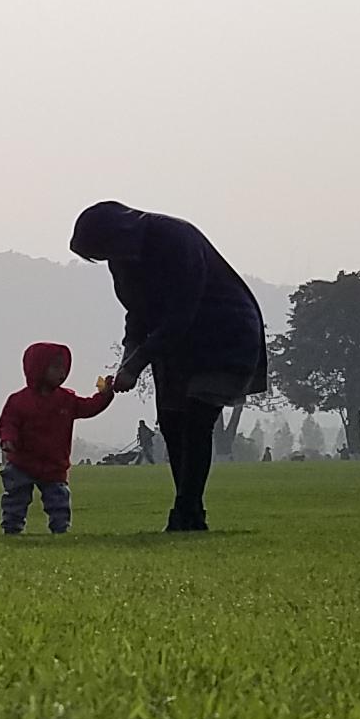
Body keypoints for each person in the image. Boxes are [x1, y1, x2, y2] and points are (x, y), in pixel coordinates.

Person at [71, 200, 267, 534]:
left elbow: (181, 313)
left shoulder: (177, 238)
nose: (109, 261)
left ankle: (185, 510)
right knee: (172, 422)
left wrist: (136, 364)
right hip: (175, 344)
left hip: (224, 335)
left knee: (196, 418)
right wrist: (128, 358)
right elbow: (136, 314)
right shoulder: (121, 259)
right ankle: (191, 511)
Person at [0, 342, 115, 536]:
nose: (61, 373)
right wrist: (7, 439)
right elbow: (8, 422)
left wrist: (105, 395)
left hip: (54, 464)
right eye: (55, 367)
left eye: (64, 368)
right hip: (22, 462)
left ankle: (60, 529)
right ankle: (12, 528)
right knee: (15, 497)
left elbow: (89, 407)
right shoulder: (18, 401)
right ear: (38, 368)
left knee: (58, 500)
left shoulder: (67, 400)